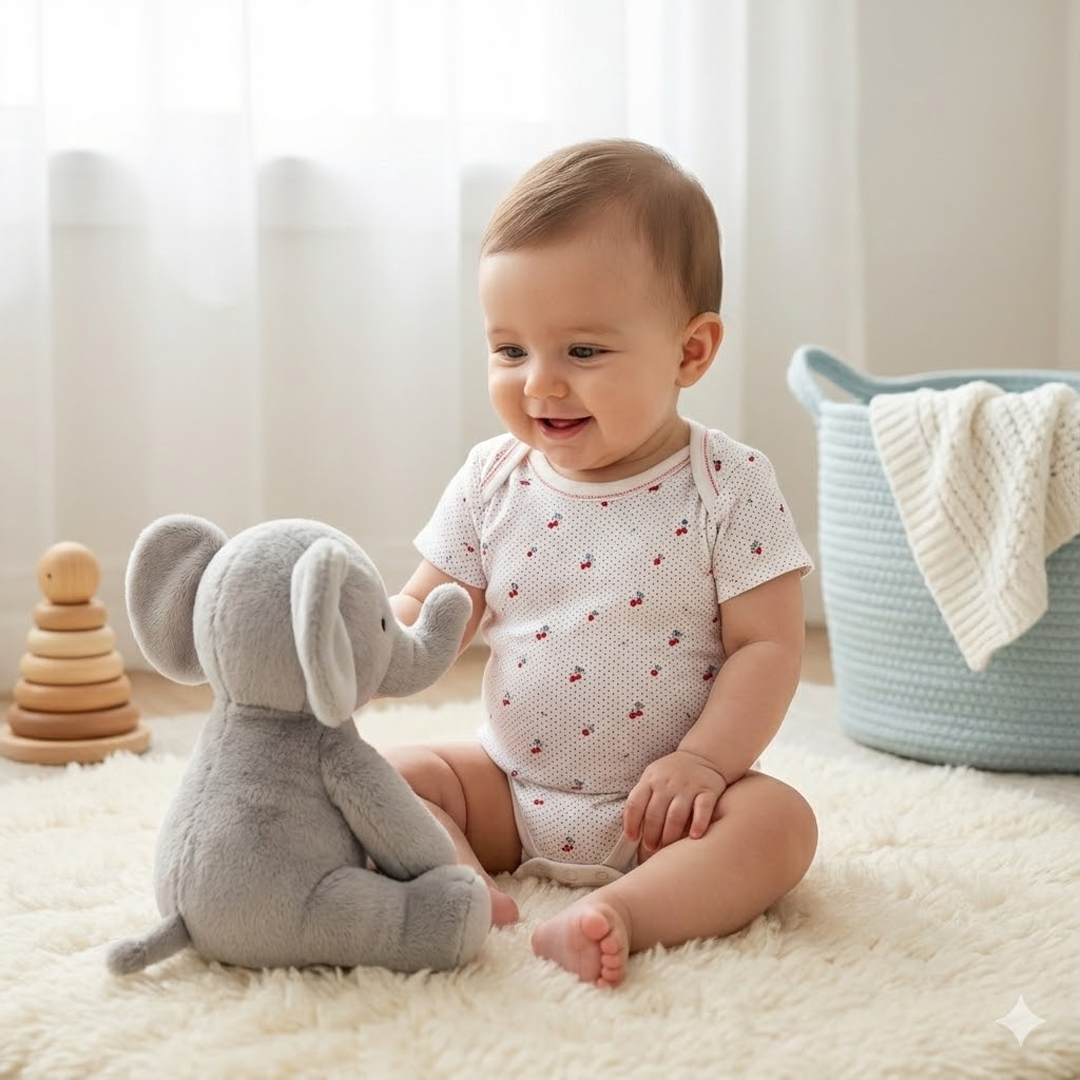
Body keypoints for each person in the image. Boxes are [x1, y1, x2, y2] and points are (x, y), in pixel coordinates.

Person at [386, 138, 818, 989]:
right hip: (508, 791)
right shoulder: (492, 479)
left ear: (690, 352)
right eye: (511, 351)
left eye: (581, 352)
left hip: (669, 812)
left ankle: (628, 912)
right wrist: (368, 649)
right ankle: (463, 888)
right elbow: (427, 612)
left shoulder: (727, 485)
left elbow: (768, 647)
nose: (540, 385)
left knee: (781, 824)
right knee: (384, 779)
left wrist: (705, 763)